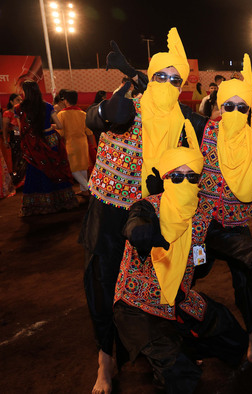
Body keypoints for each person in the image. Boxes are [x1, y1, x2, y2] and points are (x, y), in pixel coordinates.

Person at [81, 29, 211, 394]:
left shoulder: (184, 121)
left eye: (176, 79)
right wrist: (105, 108)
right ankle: (105, 362)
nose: (168, 84)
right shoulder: (129, 106)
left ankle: (168, 347)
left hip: (155, 214)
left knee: (166, 282)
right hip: (109, 214)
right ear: (149, 79)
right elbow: (98, 118)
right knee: (103, 286)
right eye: (160, 77)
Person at [115, 141, 252, 393]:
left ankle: (182, 346)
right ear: (165, 178)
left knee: (231, 336)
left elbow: (227, 240)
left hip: (179, 299)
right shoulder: (148, 207)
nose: (184, 182)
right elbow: (135, 224)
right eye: (176, 176)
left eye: (191, 177)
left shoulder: (200, 215)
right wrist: (143, 234)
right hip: (138, 306)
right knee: (178, 372)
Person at [196, 54, 252, 363]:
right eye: (229, 106)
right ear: (219, 107)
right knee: (190, 274)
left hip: (237, 228)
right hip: (205, 227)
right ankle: (187, 335)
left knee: (244, 283)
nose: (235, 112)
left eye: (242, 107)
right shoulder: (205, 134)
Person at [13, 81, 78, 216]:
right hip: (51, 140)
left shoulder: (19, 108)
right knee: (56, 168)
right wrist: (49, 127)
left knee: (36, 171)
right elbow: (59, 125)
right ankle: (63, 201)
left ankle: (37, 204)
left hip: (34, 144)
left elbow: (21, 130)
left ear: (25, 92)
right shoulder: (47, 106)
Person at [56, 90, 96, 197]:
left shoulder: (62, 114)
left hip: (70, 143)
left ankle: (87, 187)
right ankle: (85, 190)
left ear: (65, 101)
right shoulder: (83, 114)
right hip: (83, 144)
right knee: (83, 167)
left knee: (72, 168)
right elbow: (89, 132)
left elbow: (61, 133)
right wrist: (91, 145)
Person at [2, 93, 24, 185]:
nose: (20, 102)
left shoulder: (22, 112)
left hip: (24, 137)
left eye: (21, 100)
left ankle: (25, 180)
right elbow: (5, 128)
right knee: (17, 159)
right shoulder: (8, 113)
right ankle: (17, 182)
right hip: (15, 138)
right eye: (17, 100)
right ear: (11, 102)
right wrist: (5, 140)